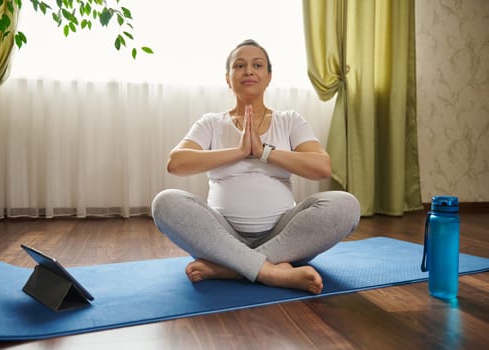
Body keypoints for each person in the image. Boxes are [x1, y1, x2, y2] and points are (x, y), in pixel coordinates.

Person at [151, 39, 360, 294]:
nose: (248, 71)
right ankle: (269, 271)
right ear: (228, 79)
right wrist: (239, 152)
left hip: (284, 237)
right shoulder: (211, 123)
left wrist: (264, 152)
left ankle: (232, 268)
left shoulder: (289, 120)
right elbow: (177, 163)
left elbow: (322, 167)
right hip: (221, 237)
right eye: (239, 65)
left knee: (346, 204)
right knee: (165, 202)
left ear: (268, 76)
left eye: (257, 65)